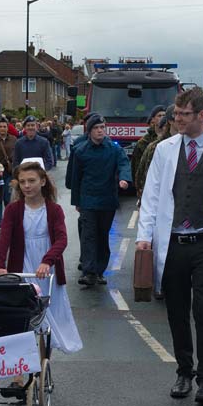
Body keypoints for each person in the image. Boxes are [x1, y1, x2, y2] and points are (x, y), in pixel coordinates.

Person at [137, 89, 203, 404]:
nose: (176, 118)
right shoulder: (165, 150)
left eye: (184, 113)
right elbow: (152, 197)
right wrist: (145, 236)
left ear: (202, 114)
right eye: (176, 113)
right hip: (172, 241)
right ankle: (184, 371)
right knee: (177, 309)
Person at [0, 160, 82, 356]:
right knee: (22, 318)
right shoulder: (13, 210)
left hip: (46, 270)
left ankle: (42, 362)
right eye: (22, 181)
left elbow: (61, 239)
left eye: (31, 180)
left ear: (42, 181)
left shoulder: (54, 210)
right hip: (22, 265)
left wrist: (47, 260)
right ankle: (19, 369)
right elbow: (4, 240)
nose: (26, 186)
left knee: (46, 319)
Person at [67, 113, 132, 286]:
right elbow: (76, 178)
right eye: (96, 128)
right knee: (89, 235)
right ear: (89, 131)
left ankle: (100, 271)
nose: (100, 131)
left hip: (107, 200)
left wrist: (124, 179)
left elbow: (124, 163)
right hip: (88, 200)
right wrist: (77, 202)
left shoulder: (113, 149)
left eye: (102, 127)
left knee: (103, 235)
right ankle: (89, 272)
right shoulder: (81, 151)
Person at [132, 105, 167, 181]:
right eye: (159, 115)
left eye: (164, 115)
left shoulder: (172, 139)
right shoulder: (143, 142)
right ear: (153, 119)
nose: (162, 117)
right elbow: (137, 169)